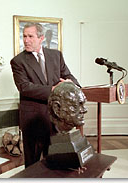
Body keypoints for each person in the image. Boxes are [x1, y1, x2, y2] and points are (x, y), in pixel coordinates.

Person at [10, 22, 80, 168]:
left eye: (30, 36)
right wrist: (53, 89)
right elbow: (24, 87)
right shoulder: (18, 61)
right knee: (32, 164)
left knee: (56, 160)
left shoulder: (56, 55)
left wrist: (69, 83)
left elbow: (70, 77)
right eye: (24, 36)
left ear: (41, 38)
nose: (26, 40)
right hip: (33, 120)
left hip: (56, 119)